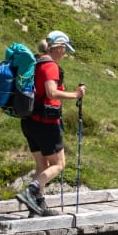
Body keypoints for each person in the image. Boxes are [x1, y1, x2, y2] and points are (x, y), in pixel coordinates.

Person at [16, 30, 86, 215]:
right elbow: (51, 92)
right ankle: (31, 190)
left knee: (42, 165)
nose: (65, 54)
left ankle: (37, 206)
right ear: (59, 47)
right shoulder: (50, 66)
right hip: (46, 123)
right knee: (59, 164)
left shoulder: (36, 62)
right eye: (65, 50)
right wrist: (76, 95)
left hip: (30, 121)